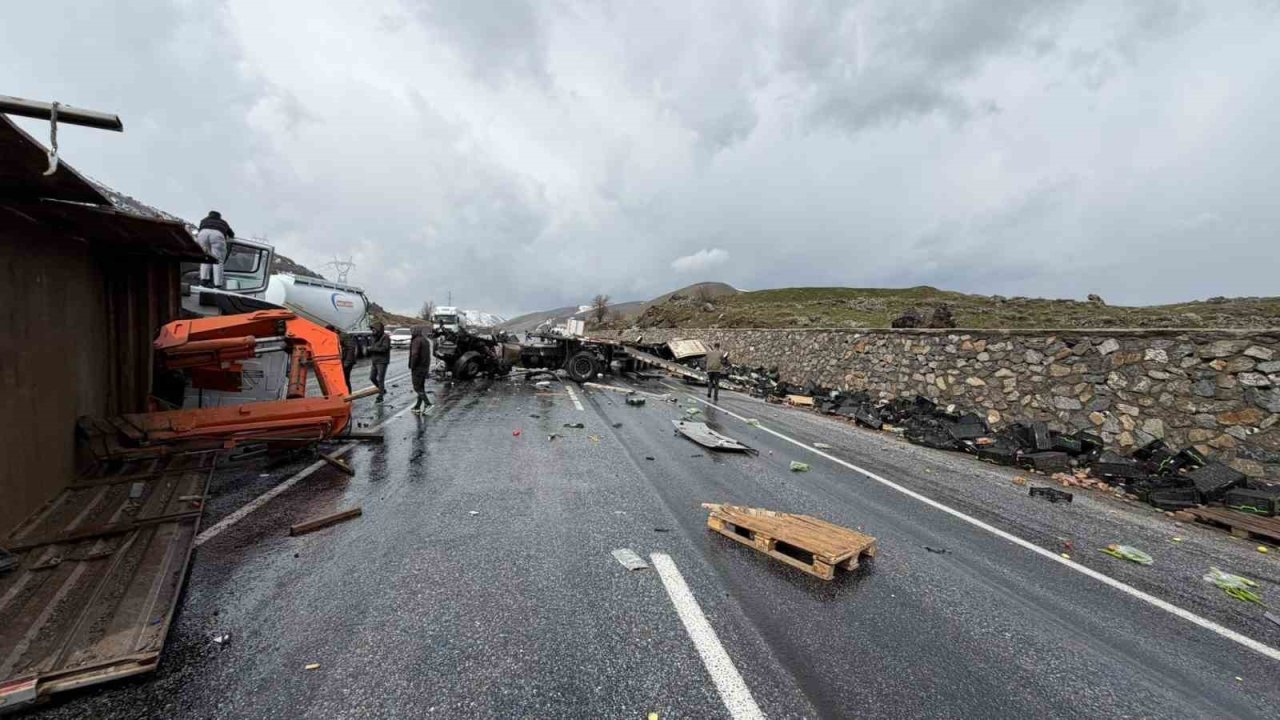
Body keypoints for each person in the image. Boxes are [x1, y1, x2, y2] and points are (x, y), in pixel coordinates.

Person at [195, 211, 235, 288]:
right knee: (218, 260)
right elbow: (231, 234)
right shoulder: (223, 222)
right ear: (219, 217)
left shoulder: (204, 220)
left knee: (205, 258)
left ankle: (204, 280)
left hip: (203, 234)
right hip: (217, 235)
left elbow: (200, 229)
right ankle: (217, 284)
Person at [408, 326, 434, 413]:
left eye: (412, 331)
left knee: (417, 387)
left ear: (415, 331)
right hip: (425, 367)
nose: (411, 332)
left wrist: (412, 365)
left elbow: (414, 355)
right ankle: (417, 406)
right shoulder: (425, 340)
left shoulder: (416, 341)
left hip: (417, 367)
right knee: (421, 387)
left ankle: (428, 404)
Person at [368, 321, 391, 402]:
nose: (373, 331)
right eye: (372, 330)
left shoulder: (385, 337)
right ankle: (382, 390)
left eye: (374, 329)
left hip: (382, 361)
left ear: (378, 329)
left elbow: (384, 348)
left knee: (381, 379)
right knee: (372, 377)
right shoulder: (373, 337)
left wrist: (372, 349)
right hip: (374, 360)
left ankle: (380, 396)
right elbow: (372, 347)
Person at [332, 325, 358, 391]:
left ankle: (348, 395)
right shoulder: (335, 336)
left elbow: (351, 348)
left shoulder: (343, 336)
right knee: (341, 380)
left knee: (345, 379)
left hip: (346, 361)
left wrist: (347, 362)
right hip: (342, 361)